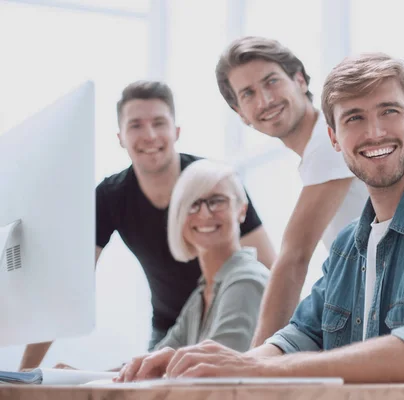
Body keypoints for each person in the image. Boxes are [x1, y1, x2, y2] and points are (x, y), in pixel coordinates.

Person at [115, 53, 404, 400]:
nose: (374, 131)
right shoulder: (350, 244)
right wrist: (211, 364)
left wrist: (251, 371)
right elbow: (296, 337)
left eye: (389, 111)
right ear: (333, 138)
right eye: (353, 119)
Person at [20, 81, 276, 370]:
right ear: (120, 137)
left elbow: (270, 271)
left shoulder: (213, 181)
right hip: (181, 319)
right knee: (138, 378)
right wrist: (27, 374)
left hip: (231, 304)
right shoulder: (111, 197)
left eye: (159, 122)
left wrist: (277, 349)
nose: (150, 135)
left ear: (176, 131)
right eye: (136, 125)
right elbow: (69, 287)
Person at [215, 36, 369, 346]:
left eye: (271, 82)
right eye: (249, 94)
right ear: (240, 112)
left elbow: (295, 256)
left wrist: (255, 363)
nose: (265, 101)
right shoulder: (315, 152)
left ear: (299, 79)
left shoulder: (330, 138)